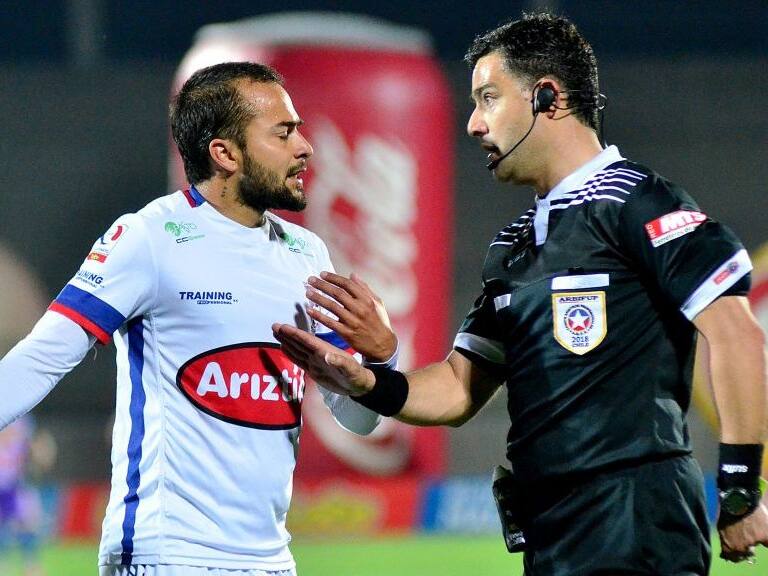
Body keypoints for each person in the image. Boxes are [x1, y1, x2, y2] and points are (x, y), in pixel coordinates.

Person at [272, 12, 768, 575]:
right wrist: (368, 382)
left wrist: (738, 487)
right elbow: (459, 390)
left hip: (634, 519)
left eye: (488, 99)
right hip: (551, 529)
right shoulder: (514, 246)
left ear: (547, 98)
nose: (474, 124)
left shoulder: (640, 204)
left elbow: (736, 333)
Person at [0, 61, 398, 576]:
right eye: (284, 132)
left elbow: (357, 420)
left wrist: (382, 358)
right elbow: (43, 356)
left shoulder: (307, 254)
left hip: (272, 560)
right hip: (167, 554)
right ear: (225, 153)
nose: (305, 146)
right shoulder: (150, 237)